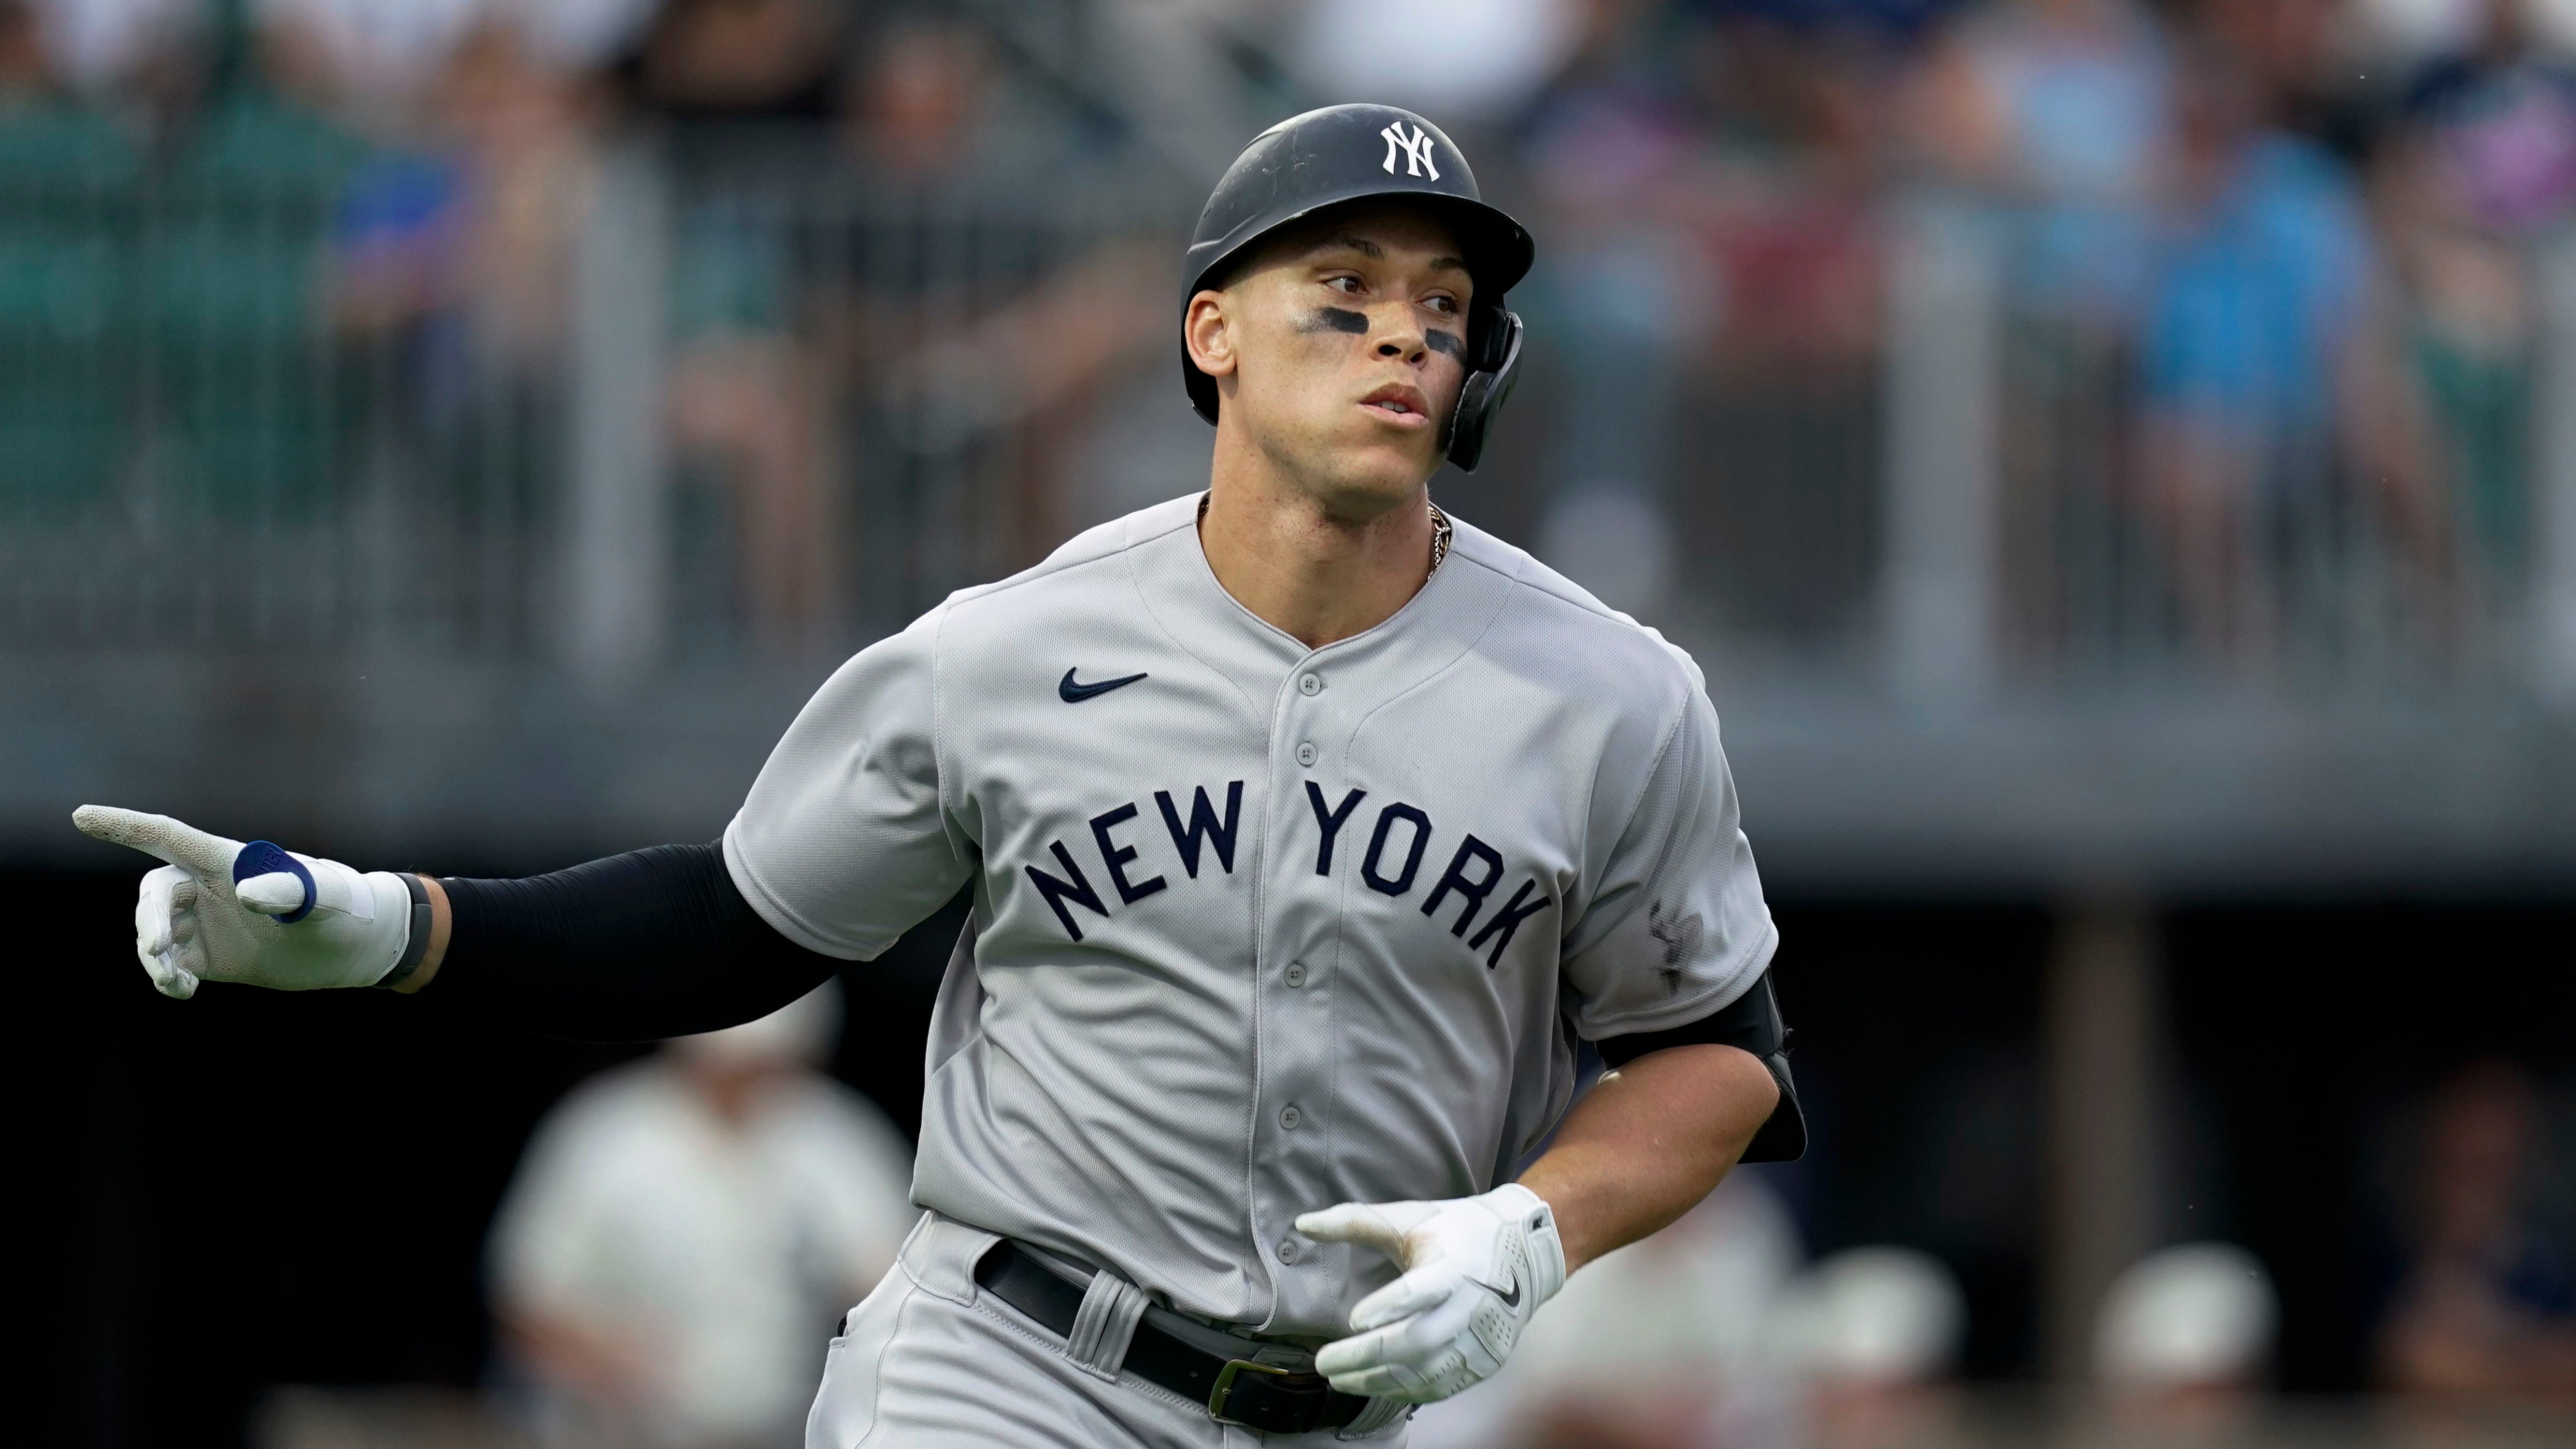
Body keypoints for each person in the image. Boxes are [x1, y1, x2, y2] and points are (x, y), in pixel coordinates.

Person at [75, 103, 1803, 1448]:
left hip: (1370, 1400)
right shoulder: (1005, 649)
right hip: (1008, 1368)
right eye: (1341, 291)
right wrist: (392, 926)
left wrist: (1533, 1225)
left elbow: (1712, 1047)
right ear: (1212, 331)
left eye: (1443, 305)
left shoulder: (1610, 694)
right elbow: (743, 926)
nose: (1399, 337)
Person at [491, 982, 917, 1449]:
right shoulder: (603, 1134)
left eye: (768, 1070)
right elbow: (527, 1300)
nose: (749, 1089)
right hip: (620, 1430)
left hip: (787, 1430)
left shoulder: (842, 1143)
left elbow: (894, 1291)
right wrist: (614, 1358)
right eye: (732, 1072)